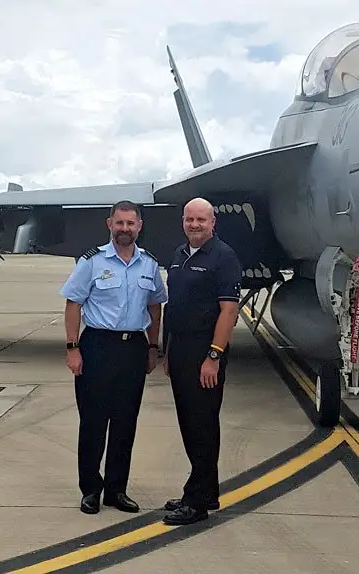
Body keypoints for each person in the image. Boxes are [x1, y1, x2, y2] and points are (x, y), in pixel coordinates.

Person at [60, 200, 167, 515]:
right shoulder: (92, 261)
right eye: (119, 223)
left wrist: (152, 346)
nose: (125, 229)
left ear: (139, 227)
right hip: (96, 346)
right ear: (110, 224)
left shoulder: (148, 264)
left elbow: (155, 305)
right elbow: (73, 304)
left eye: (130, 224)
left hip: (133, 348)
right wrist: (72, 347)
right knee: (93, 423)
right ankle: (91, 490)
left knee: (125, 424)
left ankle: (117, 491)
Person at [160, 197, 243, 526]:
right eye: (190, 219)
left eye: (201, 220)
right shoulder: (179, 256)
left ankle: (195, 503)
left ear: (213, 223)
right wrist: (166, 350)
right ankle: (206, 489)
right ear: (183, 221)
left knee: (202, 425)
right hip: (179, 350)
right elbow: (173, 306)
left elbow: (229, 311)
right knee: (190, 423)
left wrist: (214, 356)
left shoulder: (224, 258)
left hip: (204, 352)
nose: (195, 225)